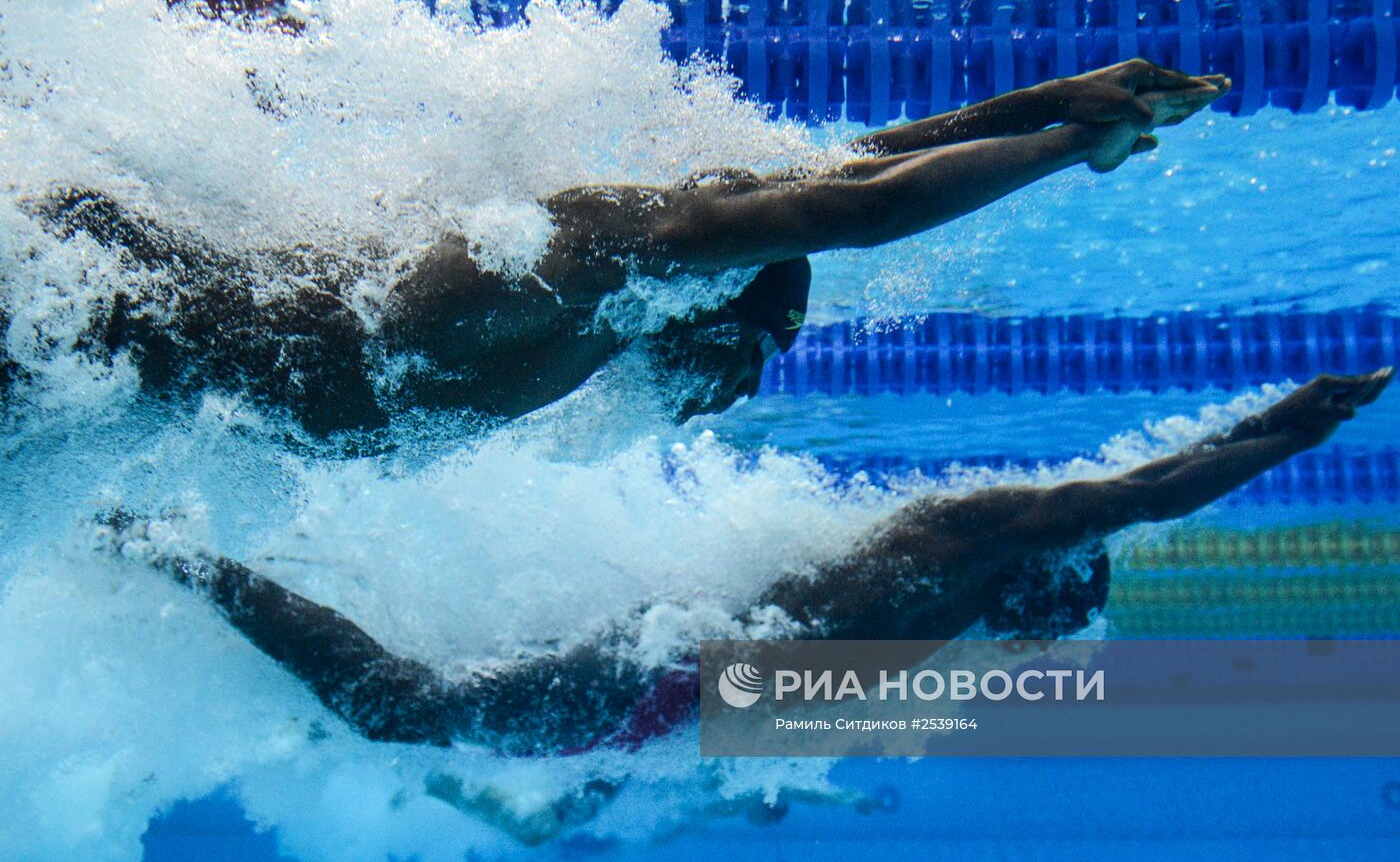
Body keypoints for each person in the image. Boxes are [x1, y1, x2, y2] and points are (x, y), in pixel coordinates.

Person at [101, 367, 1392, 756]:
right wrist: (1288, 426)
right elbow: (1142, 490)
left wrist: (1289, 427)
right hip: (662, 685)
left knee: (416, 711)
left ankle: (183, 553)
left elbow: (1136, 497)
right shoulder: (965, 559)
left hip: (665, 682)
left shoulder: (945, 575)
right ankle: (170, 552)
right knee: (405, 711)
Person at [13, 61, 1228, 436]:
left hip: (117, 346)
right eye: (759, 355)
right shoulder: (598, 251)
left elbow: (848, 168)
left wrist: (1063, 98)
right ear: (722, 302)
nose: (736, 388)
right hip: (83, 306)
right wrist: (1075, 143)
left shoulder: (620, 307)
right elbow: (850, 210)